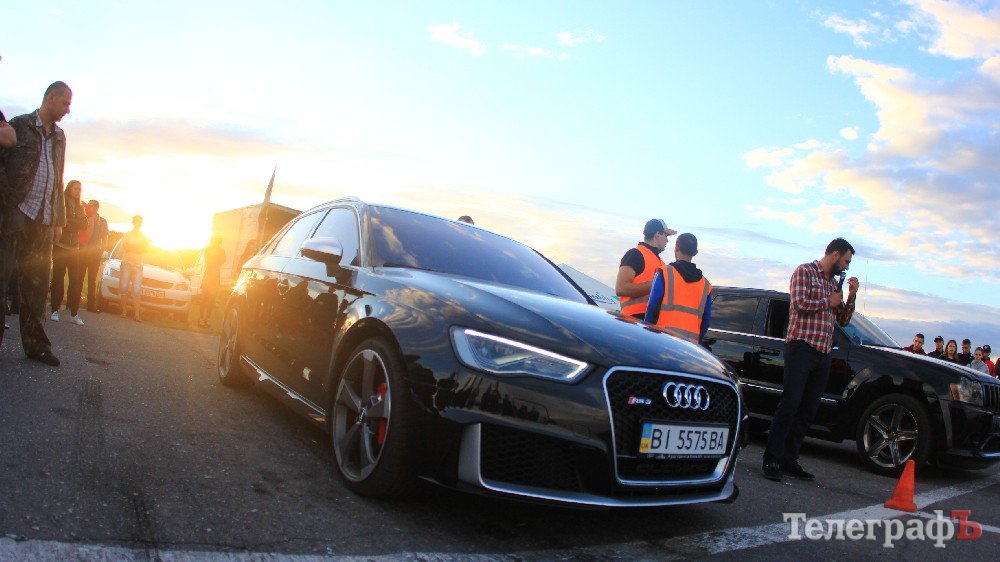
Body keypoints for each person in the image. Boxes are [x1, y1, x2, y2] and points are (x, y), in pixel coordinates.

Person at [763, 238, 858, 482]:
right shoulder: (805, 271)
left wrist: (850, 296)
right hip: (801, 347)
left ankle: (790, 458)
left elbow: (843, 320)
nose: (846, 267)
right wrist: (828, 302)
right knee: (791, 403)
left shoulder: (833, 284)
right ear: (835, 255)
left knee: (808, 409)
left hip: (823, 352)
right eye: (846, 261)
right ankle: (772, 458)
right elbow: (798, 304)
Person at [1, 81, 73, 366]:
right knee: (2, 277)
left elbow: (58, 178)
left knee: (37, 285)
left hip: (43, 219)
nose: (68, 110)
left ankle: (36, 346)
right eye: (65, 103)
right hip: (15, 213)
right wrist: (6, 198)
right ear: (51, 97)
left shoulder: (60, 137)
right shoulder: (19, 125)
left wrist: (59, 220)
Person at [644, 233, 712, 344]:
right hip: (690, 347)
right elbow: (706, 322)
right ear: (695, 253)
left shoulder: (665, 273)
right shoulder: (706, 286)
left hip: (663, 342)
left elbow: (652, 307)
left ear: (676, 248)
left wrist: (648, 334)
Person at [616, 218, 676, 320]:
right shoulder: (635, 254)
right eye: (666, 236)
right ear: (657, 235)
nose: (667, 240)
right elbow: (621, 288)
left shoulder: (661, 263)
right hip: (632, 321)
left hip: (650, 321)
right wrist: (656, 285)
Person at [50, 180, 89, 325]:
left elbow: (84, 224)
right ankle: (55, 310)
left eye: (80, 189)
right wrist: (72, 223)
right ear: (69, 188)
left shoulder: (80, 207)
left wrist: (70, 222)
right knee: (58, 279)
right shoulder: (62, 203)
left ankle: (74, 313)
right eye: (75, 188)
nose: (78, 191)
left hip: (75, 248)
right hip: (61, 246)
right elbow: (61, 220)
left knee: (76, 281)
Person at [80, 200, 109, 313]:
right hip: (83, 252)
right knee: (78, 278)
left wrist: (102, 250)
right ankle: (72, 303)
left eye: (91, 206)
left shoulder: (102, 221)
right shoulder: (85, 217)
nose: (89, 207)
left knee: (92, 281)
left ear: (97, 208)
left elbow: (105, 237)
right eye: (88, 205)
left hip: (95, 254)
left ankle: (91, 305)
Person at [119, 215, 149, 321]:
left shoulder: (144, 237)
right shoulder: (127, 234)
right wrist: (137, 248)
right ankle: (124, 311)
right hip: (126, 263)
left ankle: (137, 315)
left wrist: (134, 247)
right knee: (124, 287)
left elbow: (144, 250)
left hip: (138, 265)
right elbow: (126, 246)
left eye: (139, 222)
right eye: (136, 221)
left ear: (141, 224)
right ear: (133, 222)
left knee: (136, 290)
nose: (138, 223)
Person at [197, 235, 226, 328]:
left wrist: (215, 259)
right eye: (214, 241)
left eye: (218, 242)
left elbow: (222, 261)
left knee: (212, 300)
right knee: (204, 299)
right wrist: (215, 259)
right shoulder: (208, 249)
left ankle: (207, 319)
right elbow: (208, 261)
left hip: (216, 278)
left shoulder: (221, 250)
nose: (216, 243)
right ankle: (201, 319)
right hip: (208, 277)